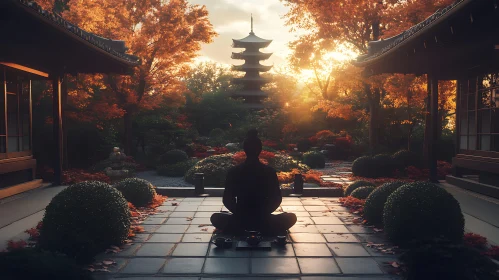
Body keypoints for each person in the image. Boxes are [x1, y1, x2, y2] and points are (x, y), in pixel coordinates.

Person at [210, 129, 297, 235]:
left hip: (241, 218)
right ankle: (264, 228)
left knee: (216, 218)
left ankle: (240, 228)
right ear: (260, 149)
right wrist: (263, 214)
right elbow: (276, 199)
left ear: (244, 149)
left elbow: (228, 200)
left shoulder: (235, 171)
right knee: (290, 217)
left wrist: (239, 214)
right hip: (263, 218)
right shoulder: (269, 171)